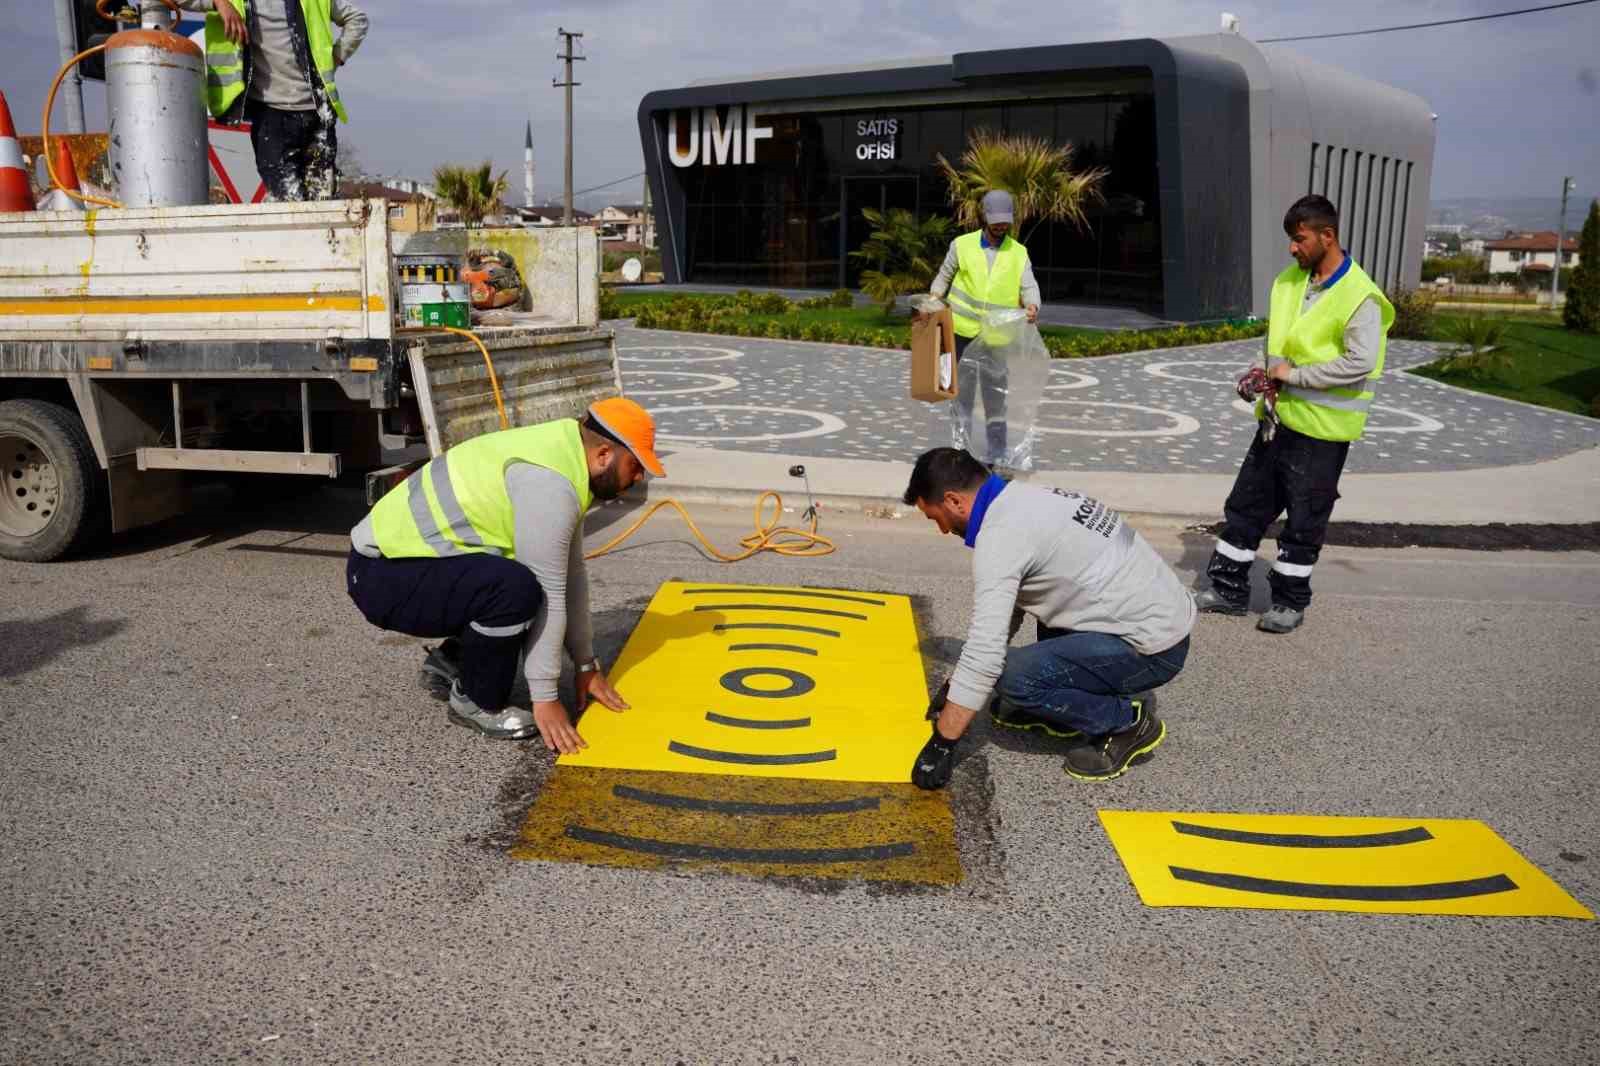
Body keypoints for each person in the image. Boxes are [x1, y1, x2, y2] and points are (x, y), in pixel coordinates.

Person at [345, 398, 664, 748]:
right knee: (514, 588)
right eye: (635, 465)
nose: (638, 478)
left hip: (402, 565)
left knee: (505, 580)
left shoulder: (563, 455)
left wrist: (586, 665)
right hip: (384, 574)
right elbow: (551, 590)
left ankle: (452, 660)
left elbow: (572, 576)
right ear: (604, 455)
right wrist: (545, 699)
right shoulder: (551, 482)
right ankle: (476, 700)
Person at [902, 448, 1196, 789]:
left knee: (1013, 678)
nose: (941, 529)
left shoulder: (1001, 536)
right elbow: (1008, 610)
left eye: (934, 517)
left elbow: (986, 651)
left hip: (1152, 649)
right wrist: (957, 687)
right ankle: (1065, 706)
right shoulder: (1027, 498)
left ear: (953, 501)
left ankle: (1126, 723)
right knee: (1034, 627)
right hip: (1157, 621)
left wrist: (942, 743)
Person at [1194, 194, 1395, 634]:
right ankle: (1227, 589)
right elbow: (1282, 349)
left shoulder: (1361, 295)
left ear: (1328, 236)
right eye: (1291, 239)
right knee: (1245, 506)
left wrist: (1294, 376)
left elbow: (1360, 362)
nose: (1292, 248)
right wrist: (1265, 376)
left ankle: (1288, 602)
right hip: (1276, 422)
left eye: (1299, 239)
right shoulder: (1289, 282)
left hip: (1322, 432)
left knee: (1304, 520)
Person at [148, 0, 368, 201]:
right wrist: (220, 3)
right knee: (289, 206)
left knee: (323, 207)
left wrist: (337, 56)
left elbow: (358, 20)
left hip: (317, 116)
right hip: (272, 121)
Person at [925, 189, 1041, 465]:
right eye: (996, 220)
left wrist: (1033, 304)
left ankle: (996, 457)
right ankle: (961, 455)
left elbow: (1029, 284)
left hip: (997, 340)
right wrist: (932, 299)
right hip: (962, 333)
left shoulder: (1018, 253)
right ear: (985, 217)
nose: (1001, 226)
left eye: (1006, 221)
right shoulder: (961, 245)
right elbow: (944, 275)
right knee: (962, 399)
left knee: (995, 401)